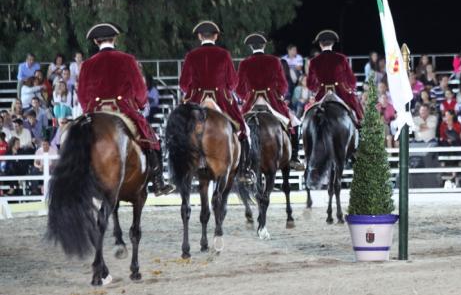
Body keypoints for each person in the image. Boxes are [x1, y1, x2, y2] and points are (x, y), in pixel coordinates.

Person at [79, 23, 173, 195]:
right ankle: (158, 182)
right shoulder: (128, 59)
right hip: (123, 109)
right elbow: (139, 88)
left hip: (97, 111)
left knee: (77, 141)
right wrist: (141, 103)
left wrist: (88, 110)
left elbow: (82, 95)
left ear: (95, 41)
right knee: (151, 138)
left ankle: (78, 184)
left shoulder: (86, 64)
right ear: (114, 39)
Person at [180, 20, 250, 180]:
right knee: (243, 130)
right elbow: (233, 82)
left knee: (179, 131)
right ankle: (244, 170)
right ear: (216, 36)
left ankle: (180, 170)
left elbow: (183, 84)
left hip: (196, 99)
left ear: (199, 36)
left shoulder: (191, 55)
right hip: (221, 100)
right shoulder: (224, 54)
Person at [236, 33, 304, 170]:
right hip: (272, 101)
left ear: (251, 47)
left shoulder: (244, 63)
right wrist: (279, 95)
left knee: (237, 127)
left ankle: (239, 162)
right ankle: (294, 158)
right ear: (264, 46)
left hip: (251, 102)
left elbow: (238, 88)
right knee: (295, 122)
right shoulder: (274, 61)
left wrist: (246, 96)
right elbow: (283, 85)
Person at [306, 29, 364, 124]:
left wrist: (316, 88)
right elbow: (351, 79)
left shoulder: (313, 61)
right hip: (340, 92)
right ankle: (360, 128)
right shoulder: (341, 58)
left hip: (322, 93)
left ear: (320, 44)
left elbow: (310, 84)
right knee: (356, 110)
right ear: (332, 44)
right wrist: (350, 88)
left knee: (309, 114)